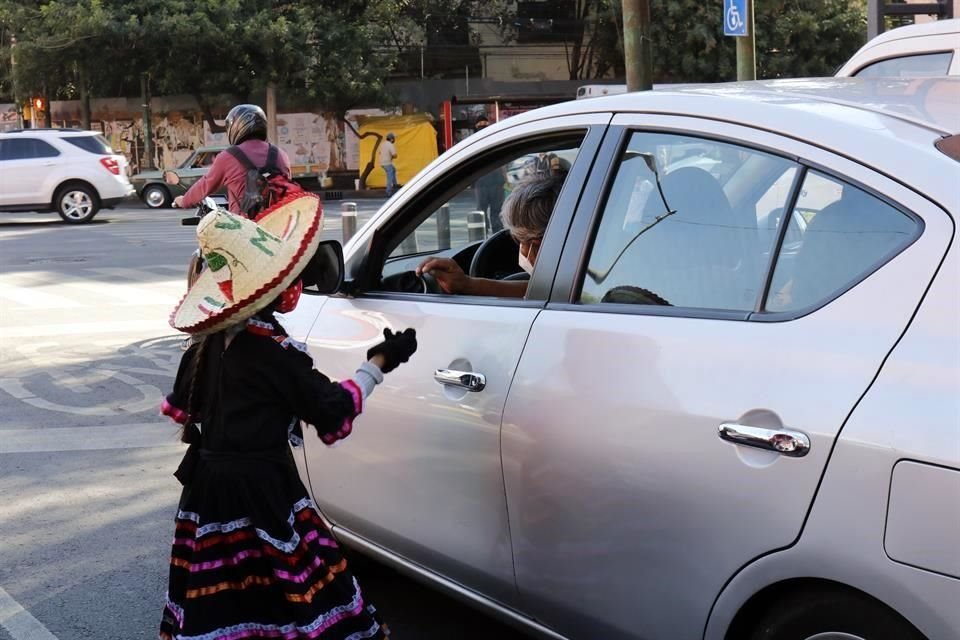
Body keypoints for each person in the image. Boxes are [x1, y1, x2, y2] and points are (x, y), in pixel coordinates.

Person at [160, 192, 416, 640]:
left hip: (207, 493)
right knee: (294, 594)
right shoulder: (275, 354)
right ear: (273, 287)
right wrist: (379, 362)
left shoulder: (204, 348)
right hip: (264, 493)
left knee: (224, 601)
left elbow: (182, 407)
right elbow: (333, 412)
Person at [416, 175, 562, 298]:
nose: (521, 250)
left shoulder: (570, 293)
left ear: (537, 244)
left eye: (520, 241)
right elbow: (536, 291)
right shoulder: (572, 281)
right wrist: (466, 284)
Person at [173, 104, 291, 214]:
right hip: (280, 224)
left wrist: (184, 201)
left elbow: (205, 186)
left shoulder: (228, 156)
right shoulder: (280, 154)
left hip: (244, 226)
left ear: (236, 126)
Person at [379, 132, 398, 196]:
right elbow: (394, 154)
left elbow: (380, 153)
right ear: (391, 139)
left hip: (382, 163)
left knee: (393, 169)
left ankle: (395, 185)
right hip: (387, 163)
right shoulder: (390, 145)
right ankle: (388, 191)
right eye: (394, 138)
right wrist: (395, 156)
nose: (394, 140)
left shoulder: (383, 144)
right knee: (390, 177)